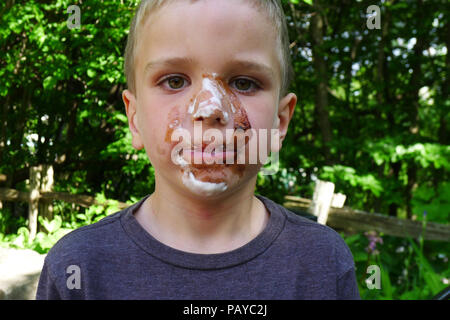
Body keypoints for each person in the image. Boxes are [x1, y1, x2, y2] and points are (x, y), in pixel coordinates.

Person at [36, 0, 360, 299]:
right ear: (135, 119)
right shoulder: (77, 268)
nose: (210, 108)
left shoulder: (323, 262)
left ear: (279, 123)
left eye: (243, 82)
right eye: (174, 81)